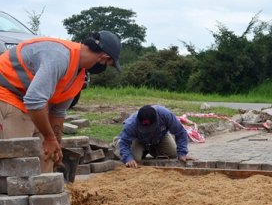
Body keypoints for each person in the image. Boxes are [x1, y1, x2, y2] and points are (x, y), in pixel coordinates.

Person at [0, 31, 121, 172]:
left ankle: (44, 189)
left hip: (29, 100)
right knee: (19, 158)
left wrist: (56, 144)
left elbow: (58, 112)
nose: (103, 68)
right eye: (107, 63)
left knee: (47, 154)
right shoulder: (59, 57)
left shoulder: (78, 75)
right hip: (7, 93)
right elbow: (34, 101)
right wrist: (49, 138)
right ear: (104, 57)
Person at [117, 105, 191, 168]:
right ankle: (117, 143)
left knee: (173, 153)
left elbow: (180, 132)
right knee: (134, 159)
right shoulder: (131, 124)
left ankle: (149, 149)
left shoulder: (165, 115)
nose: (147, 129)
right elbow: (124, 142)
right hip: (139, 140)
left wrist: (182, 153)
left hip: (160, 137)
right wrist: (128, 158)